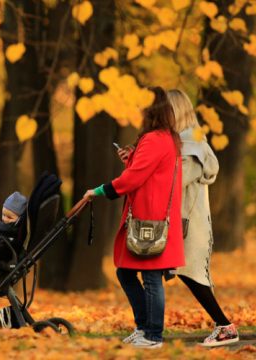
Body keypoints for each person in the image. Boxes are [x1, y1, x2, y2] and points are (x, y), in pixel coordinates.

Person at [84, 86, 184, 349]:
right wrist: (131, 159)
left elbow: (133, 179)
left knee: (150, 278)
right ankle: (143, 328)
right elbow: (144, 173)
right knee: (126, 272)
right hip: (154, 218)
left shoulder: (154, 139)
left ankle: (153, 336)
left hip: (150, 220)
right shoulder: (167, 138)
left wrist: (100, 191)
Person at [167, 89, 239, 347]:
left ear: (174, 111)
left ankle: (225, 326)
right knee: (186, 275)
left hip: (191, 226)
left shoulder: (190, 148)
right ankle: (146, 328)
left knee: (192, 276)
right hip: (186, 224)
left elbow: (174, 184)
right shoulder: (186, 143)